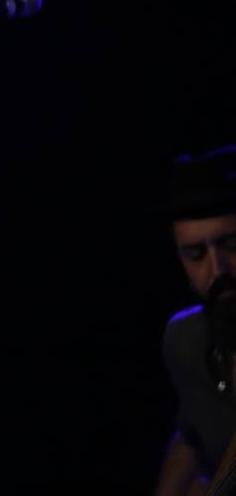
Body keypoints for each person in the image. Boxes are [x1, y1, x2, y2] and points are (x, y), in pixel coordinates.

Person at [156, 144, 236, 495]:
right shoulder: (184, 339)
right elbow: (191, 434)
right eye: (195, 254)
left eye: (232, 245)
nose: (217, 270)